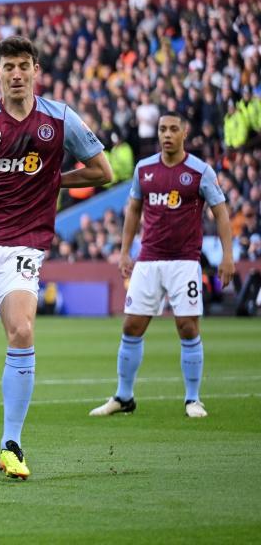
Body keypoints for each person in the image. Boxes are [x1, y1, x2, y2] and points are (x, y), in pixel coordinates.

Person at [0, 36, 113, 479]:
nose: (16, 73)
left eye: (23, 66)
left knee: (23, 330)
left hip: (24, 244)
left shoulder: (60, 119)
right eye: (8, 66)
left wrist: (53, 180)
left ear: (36, 70)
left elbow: (103, 171)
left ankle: (11, 445)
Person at [89, 113, 234, 419]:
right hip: (149, 259)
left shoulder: (199, 171)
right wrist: (126, 251)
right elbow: (133, 211)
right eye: (162, 129)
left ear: (184, 133)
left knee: (187, 327)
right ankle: (124, 396)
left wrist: (227, 256)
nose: (167, 134)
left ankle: (193, 399)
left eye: (173, 129)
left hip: (184, 261)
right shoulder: (145, 169)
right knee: (131, 325)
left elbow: (221, 213)